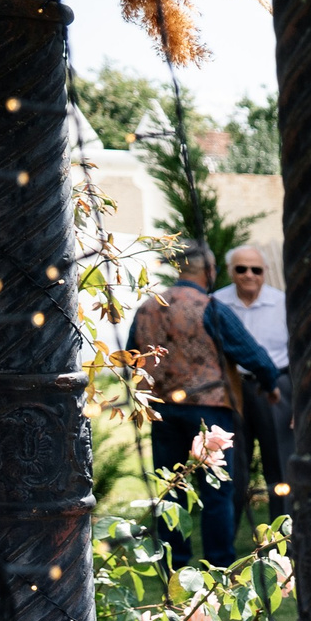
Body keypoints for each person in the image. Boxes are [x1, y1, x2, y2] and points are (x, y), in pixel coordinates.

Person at [129, 241, 282, 566]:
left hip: (161, 409)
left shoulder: (149, 306)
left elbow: (131, 354)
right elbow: (248, 352)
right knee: (216, 490)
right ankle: (219, 561)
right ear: (210, 271)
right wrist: (270, 382)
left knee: (171, 489)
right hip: (209, 409)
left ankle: (173, 561)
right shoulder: (209, 306)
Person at [213, 243, 290, 519]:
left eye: (256, 269)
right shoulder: (216, 302)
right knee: (233, 466)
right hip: (232, 388)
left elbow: (299, 351)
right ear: (231, 272)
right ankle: (228, 541)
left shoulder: (283, 303)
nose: (249, 275)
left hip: (276, 387)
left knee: (280, 465)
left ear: (265, 272)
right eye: (241, 269)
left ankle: (284, 536)